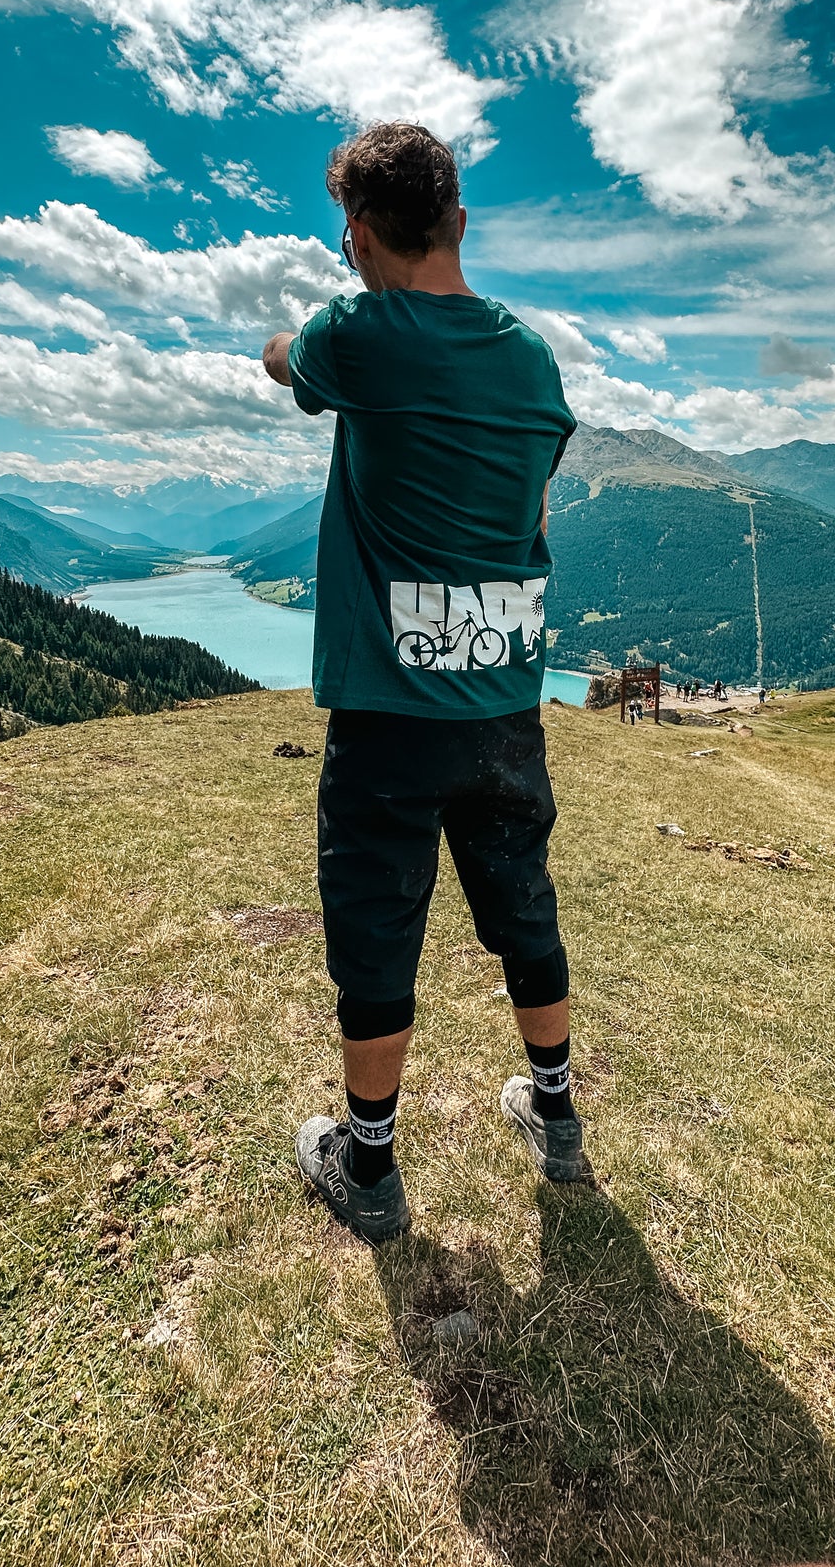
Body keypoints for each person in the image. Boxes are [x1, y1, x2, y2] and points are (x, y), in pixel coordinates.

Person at [262, 120, 584, 1246]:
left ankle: (371, 1164)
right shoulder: (534, 358)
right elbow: (531, 497)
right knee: (521, 900)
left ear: (354, 235)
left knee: (373, 925)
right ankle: (554, 1119)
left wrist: (287, 338)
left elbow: (285, 366)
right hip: (503, 696)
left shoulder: (349, 333)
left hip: (390, 710)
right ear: (457, 220)